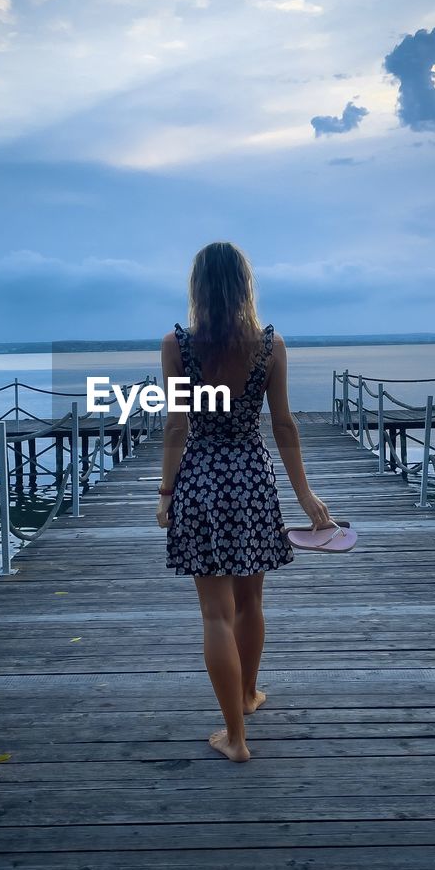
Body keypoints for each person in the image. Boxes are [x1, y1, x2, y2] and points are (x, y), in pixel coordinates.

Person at [156, 241, 334, 763]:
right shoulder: (269, 344)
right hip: (252, 478)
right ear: (244, 286)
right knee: (251, 601)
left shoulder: (177, 345)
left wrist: (166, 493)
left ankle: (235, 736)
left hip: (203, 478)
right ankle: (248, 697)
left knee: (216, 614)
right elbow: (282, 424)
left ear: (197, 288)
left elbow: (175, 428)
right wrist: (306, 496)